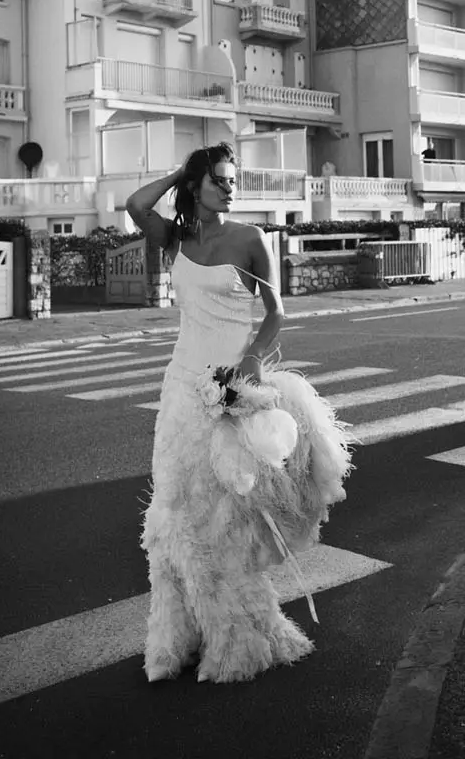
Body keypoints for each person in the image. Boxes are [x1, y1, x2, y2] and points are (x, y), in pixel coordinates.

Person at [126, 142, 352, 685]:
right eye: (219, 180)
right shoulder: (176, 238)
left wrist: (250, 361)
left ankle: (239, 639)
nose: (229, 187)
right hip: (181, 390)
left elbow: (276, 311)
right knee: (173, 510)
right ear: (196, 185)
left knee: (223, 517)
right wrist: (181, 169)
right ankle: (173, 637)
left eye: (231, 180)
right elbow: (136, 206)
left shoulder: (250, 239)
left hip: (228, 389)